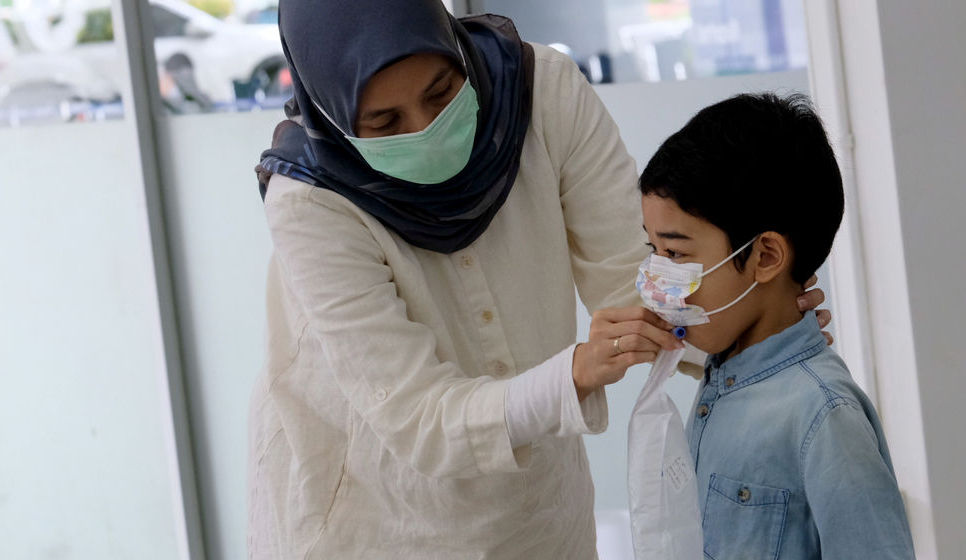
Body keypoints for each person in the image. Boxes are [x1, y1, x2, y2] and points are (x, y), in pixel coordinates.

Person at [247, 2, 829, 557]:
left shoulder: (539, 91)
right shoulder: (310, 203)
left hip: (539, 511)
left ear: (453, 47)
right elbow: (418, 418)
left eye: (441, 92)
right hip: (379, 517)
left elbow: (637, 278)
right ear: (331, 112)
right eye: (384, 122)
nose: (426, 129)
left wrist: (752, 322)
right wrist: (574, 373)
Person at [636, 93, 914, 558]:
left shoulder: (824, 417)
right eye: (653, 252)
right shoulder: (721, 375)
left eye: (677, 254)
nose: (658, 281)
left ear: (764, 256)